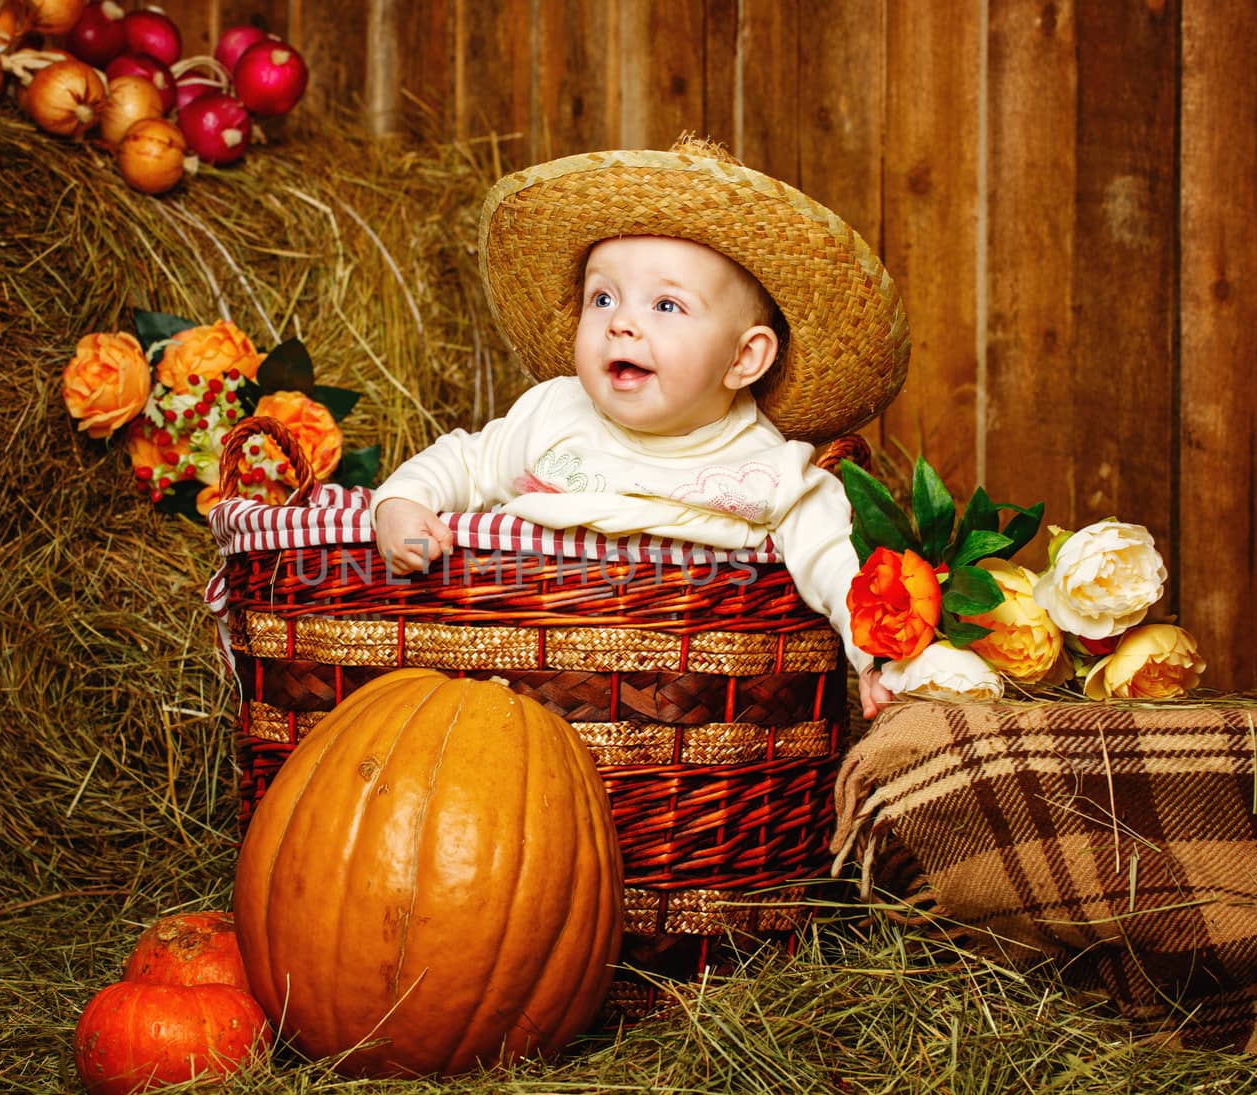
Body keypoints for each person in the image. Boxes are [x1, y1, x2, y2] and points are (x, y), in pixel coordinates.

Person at [371, 136, 911, 718]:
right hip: (523, 679)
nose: (622, 323)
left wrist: (872, 656)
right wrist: (402, 503)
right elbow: (466, 461)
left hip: (684, 701)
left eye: (667, 306)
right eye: (602, 298)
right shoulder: (553, 413)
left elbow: (833, 560)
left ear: (744, 359)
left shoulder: (770, 471)